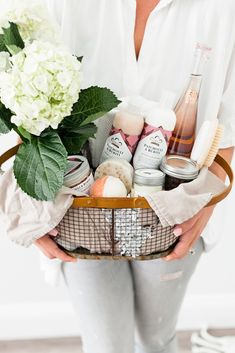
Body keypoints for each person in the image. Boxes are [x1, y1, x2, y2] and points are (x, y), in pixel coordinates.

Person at [36, 1, 235, 352]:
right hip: (79, 211)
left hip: (173, 210)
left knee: (156, 339)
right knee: (107, 345)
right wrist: (31, 210)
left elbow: (230, 123)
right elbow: (22, 106)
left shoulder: (221, 9)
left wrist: (205, 202)